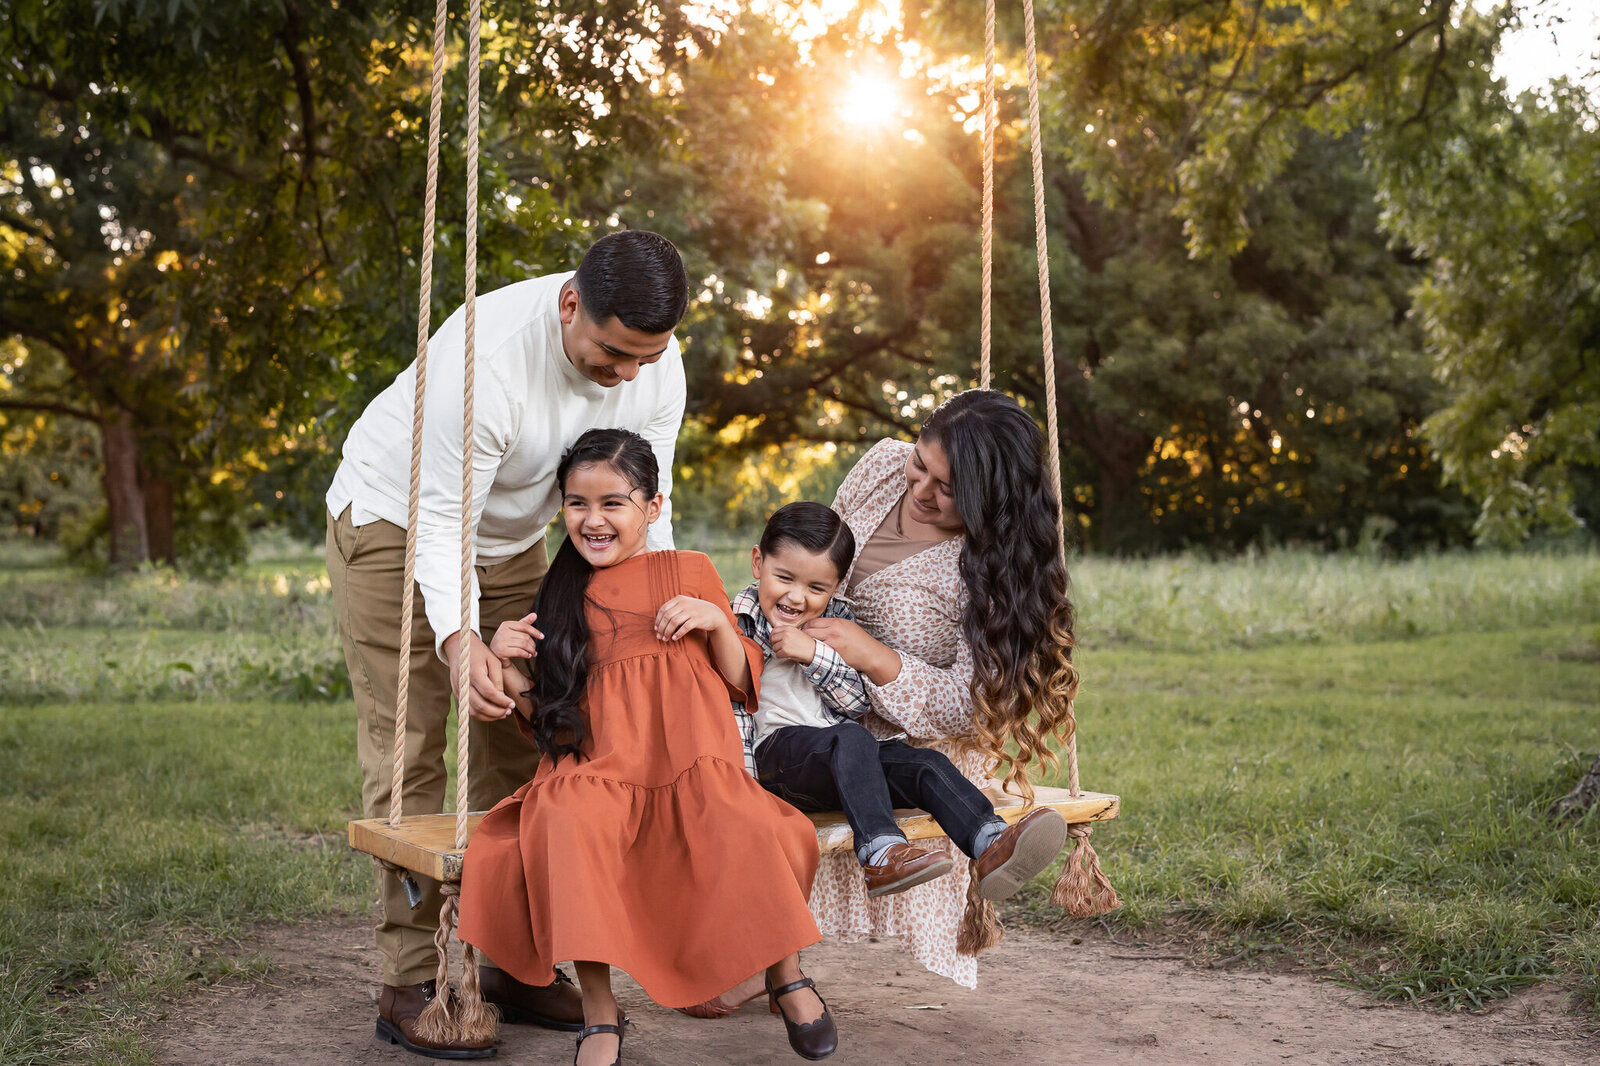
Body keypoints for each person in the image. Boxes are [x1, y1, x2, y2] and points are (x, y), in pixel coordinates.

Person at [325, 231, 689, 1058]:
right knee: (416, 742)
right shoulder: (485, 364)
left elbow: (646, 501)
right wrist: (464, 646)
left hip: (516, 536)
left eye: (647, 356)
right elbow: (444, 518)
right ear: (570, 305)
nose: (629, 375)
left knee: (530, 736)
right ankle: (411, 977)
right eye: (612, 352)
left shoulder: (656, 365)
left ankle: (515, 963)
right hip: (399, 518)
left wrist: (658, 614)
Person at [458, 429, 838, 1066]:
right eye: (577, 503)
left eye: (614, 502)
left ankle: (787, 975)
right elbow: (554, 725)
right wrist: (508, 667)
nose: (594, 519)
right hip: (598, 769)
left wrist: (717, 620)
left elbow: (744, 680)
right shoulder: (558, 597)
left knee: (745, 820)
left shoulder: (685, 569)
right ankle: (600, 1013)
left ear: (653, 507)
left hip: (693, 762)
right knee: (566, 821)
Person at [695, 390, 1080, 1009]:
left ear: (990, 498)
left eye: (947, 488)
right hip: (805, 722)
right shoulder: (880, 466)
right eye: (920, 465)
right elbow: (812, 563)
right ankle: (778, 948)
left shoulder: (992, 570)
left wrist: (866, 652)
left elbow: (968, 706)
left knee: (921, 765)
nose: (921, 490)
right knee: (844, 751)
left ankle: (991, 844)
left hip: (901, 727)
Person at [736, 501, 1068, 901]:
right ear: (758, 562)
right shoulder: (742, 617)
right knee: (851, 739)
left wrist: (813, 653)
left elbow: (856, 703)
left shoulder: (837, 624)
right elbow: (728, 694)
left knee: (926, 763)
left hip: (837, 761)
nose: (795, 597)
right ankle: (881, 854)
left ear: (837, 587)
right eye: (784, 578)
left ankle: (990, 842)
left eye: (815, 588)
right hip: (775, 760)